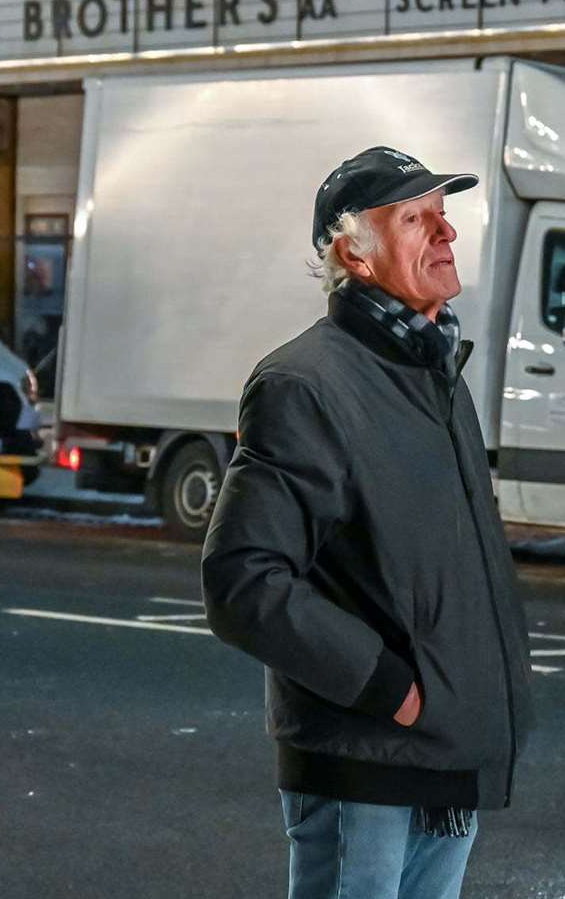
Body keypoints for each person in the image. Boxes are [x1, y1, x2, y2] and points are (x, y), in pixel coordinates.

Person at [201, 146, 533, 899]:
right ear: (354, 253)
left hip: (444, 755)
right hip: (368, 764)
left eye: (443, 217)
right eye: (415, 219)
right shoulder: (305, 383)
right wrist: (388, 687)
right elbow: (242, 580)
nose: (445, 235)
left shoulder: (431, 371)